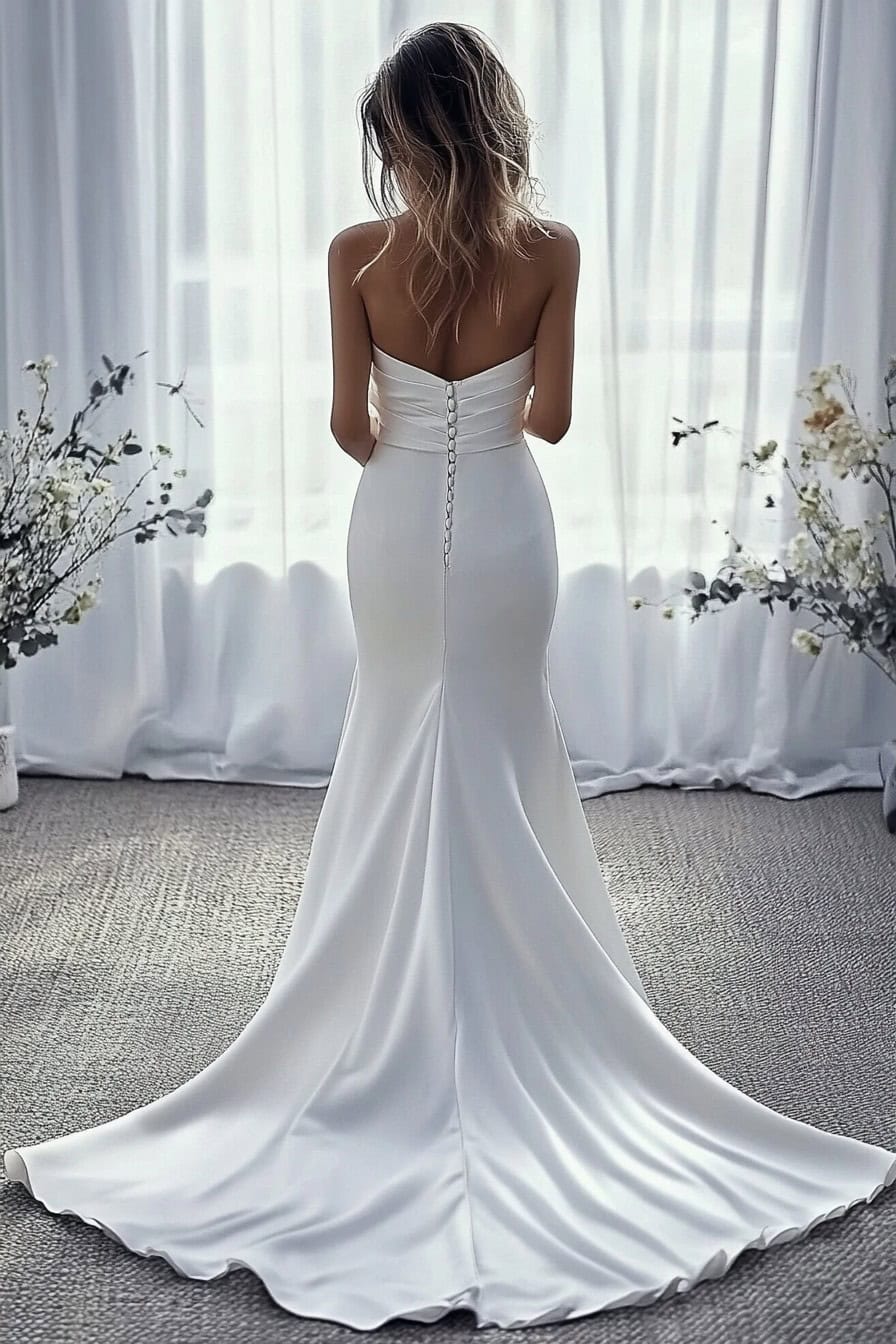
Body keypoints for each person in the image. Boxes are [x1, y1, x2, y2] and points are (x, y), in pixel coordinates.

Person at [5, 20, 895, 1332]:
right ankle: (516, 1009)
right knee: (496, 740)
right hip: (504, 536)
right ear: (495, 126)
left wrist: (419, 429)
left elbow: (346, 425)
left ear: (396, 139)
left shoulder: (356, 254)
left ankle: (381, 1017)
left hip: (393, 521)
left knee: (400, 732)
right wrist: (487, 402)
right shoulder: (553, 251)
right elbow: (554, 418)